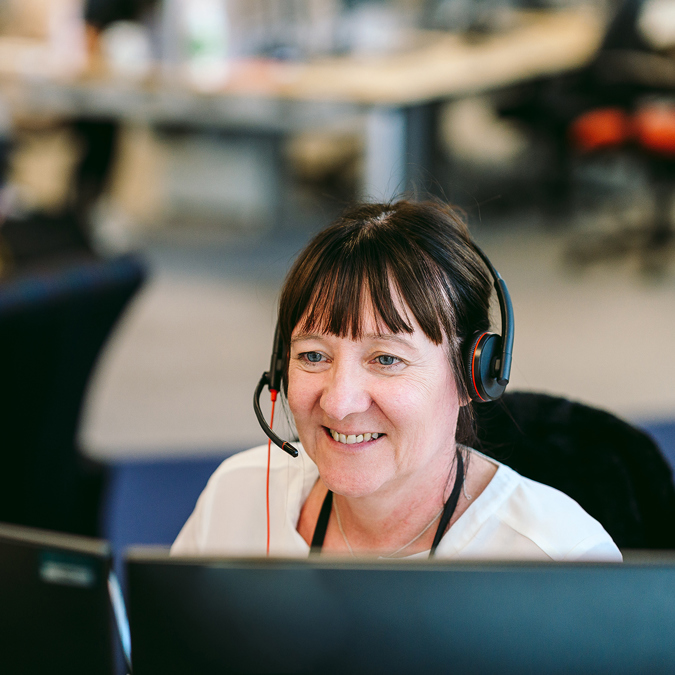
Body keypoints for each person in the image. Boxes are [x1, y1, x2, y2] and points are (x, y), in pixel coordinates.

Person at [171, 200, 621, 561]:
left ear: (474, 375)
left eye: (386, 359)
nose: (339, 402)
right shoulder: (236, 500)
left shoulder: (558, 559)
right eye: (313, 355)